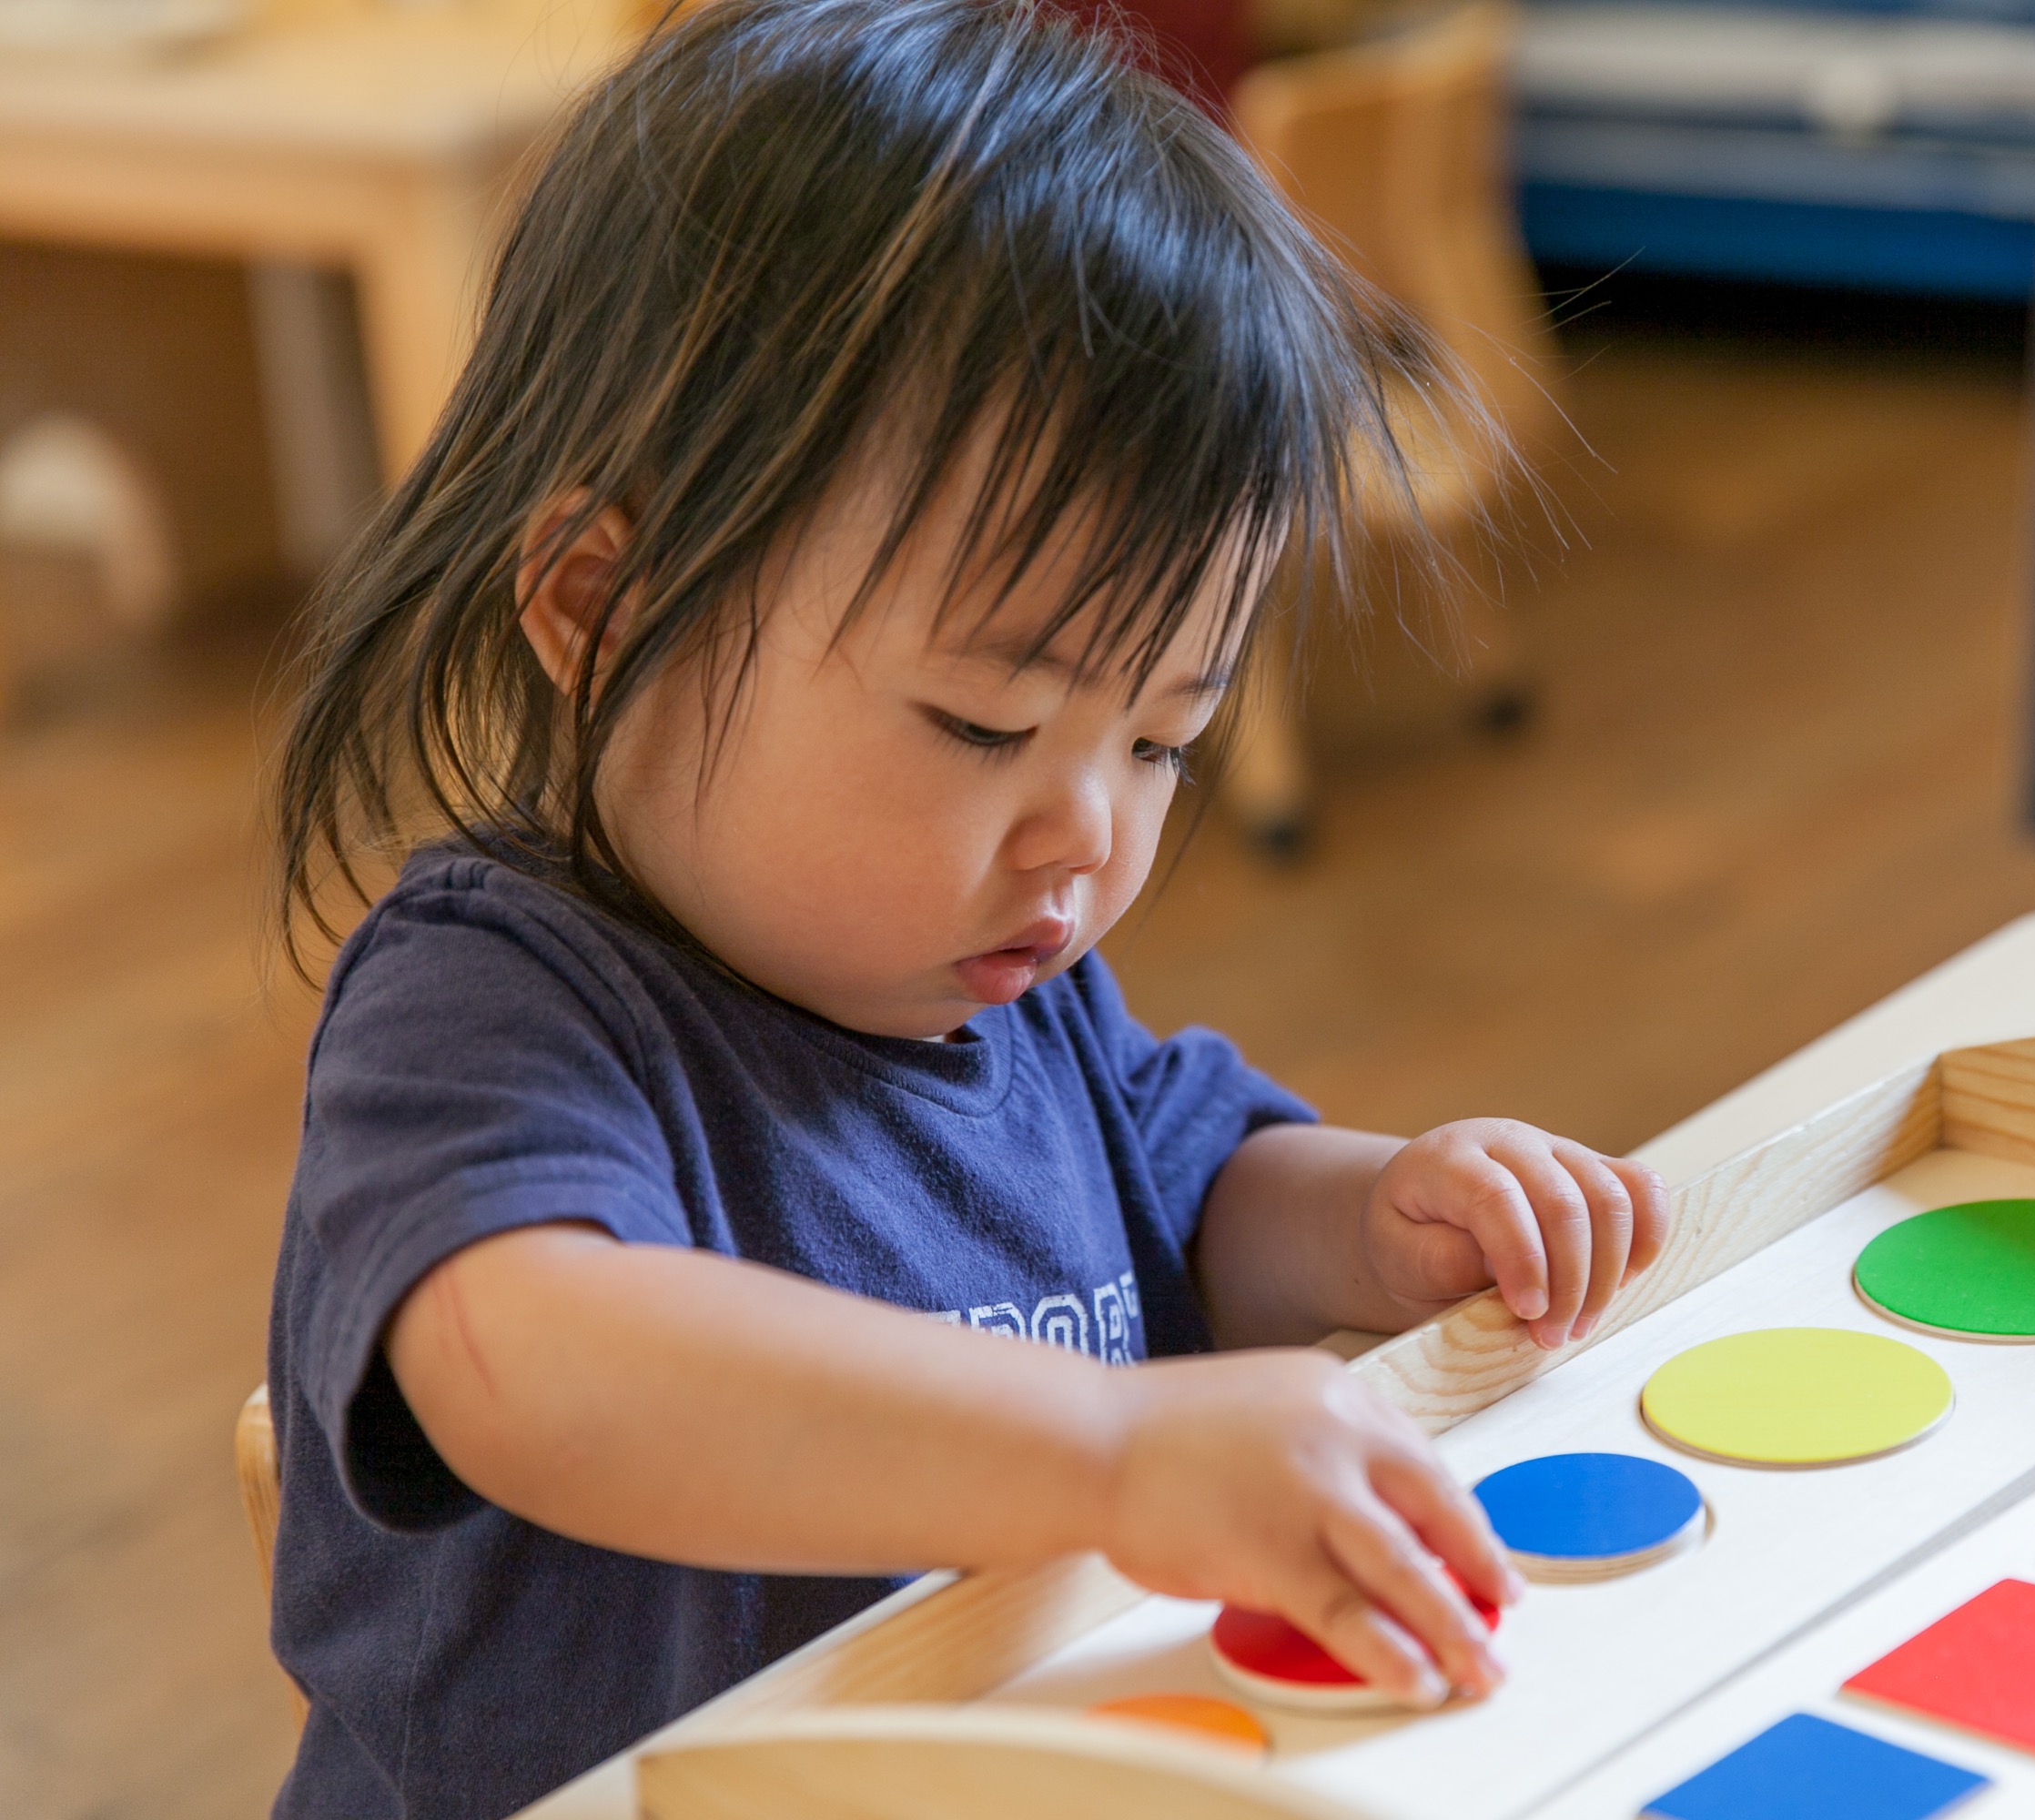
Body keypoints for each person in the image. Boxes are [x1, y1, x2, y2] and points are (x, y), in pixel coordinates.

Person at [261, 3, 1666, 1815]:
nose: (1082, 833)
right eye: (984, 721)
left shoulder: (1008, 984)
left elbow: (1201, 1189)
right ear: (605, 610)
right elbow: (530, 1363)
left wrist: (1391, 1213)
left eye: (1167, 735)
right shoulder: (493, 1008)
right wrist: (1106, 1450)